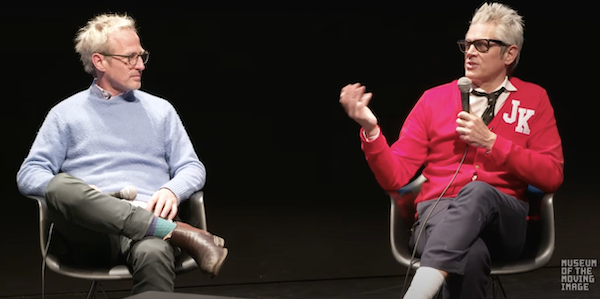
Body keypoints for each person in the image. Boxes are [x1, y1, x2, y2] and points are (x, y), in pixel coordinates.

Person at [339, 3, 563, 299]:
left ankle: (417, 293)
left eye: (482, 45)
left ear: (509, 54)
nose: (470, 52)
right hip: (437, 218)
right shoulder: (433, 100)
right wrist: (371, 130)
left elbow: (552, 176)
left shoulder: (534, 99)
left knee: (479, 191)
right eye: (467, 44)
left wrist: (493, 144)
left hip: (503, 222)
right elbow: (395, 177)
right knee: (468, 258)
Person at [16, 13, 228, 294]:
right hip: (91, 234)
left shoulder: (160, 110)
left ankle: (160, 229)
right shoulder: (65, 114)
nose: (140, 65)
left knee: (154, 251)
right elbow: (29, 174)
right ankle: (177, 232)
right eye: (130, 57)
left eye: (141, 56)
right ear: (99, 61)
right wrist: (83, 193)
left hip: (149, 229)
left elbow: (192, 167)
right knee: (60, 186)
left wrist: (172, 190)